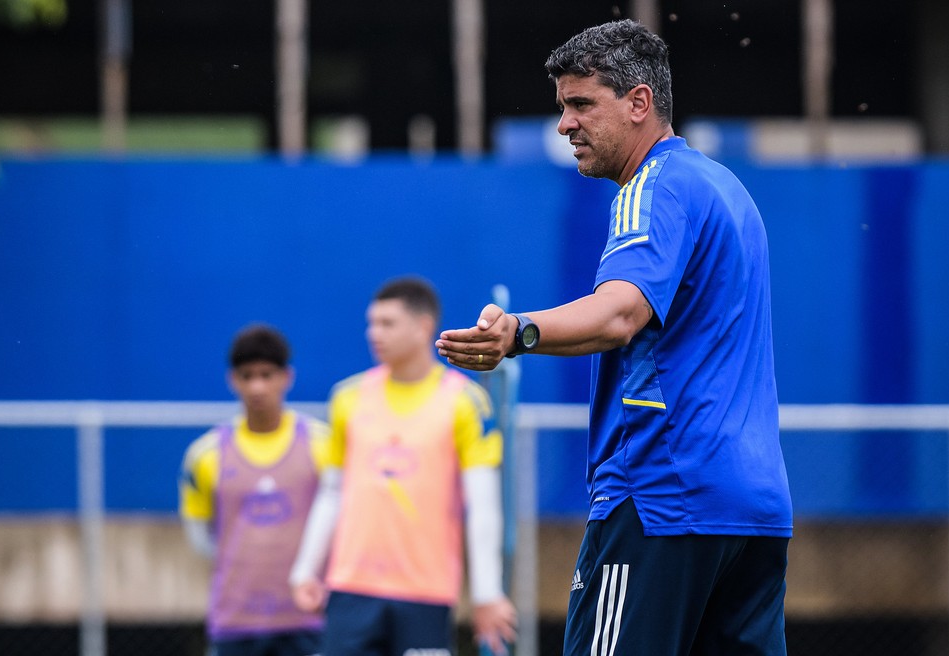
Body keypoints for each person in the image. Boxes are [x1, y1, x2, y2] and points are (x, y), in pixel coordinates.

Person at [435, 19, 793, 656]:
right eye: (562, 107)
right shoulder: (728, 190)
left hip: (662, 494)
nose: (565, 124)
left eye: (580, 104)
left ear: (639, 103)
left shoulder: (651, 186)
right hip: (754, 507)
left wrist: (519, 333)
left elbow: (619, 315)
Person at [288, 276, 517, 656]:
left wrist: (486, 593)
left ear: (423, 326)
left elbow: (483, 506)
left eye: (386, 323)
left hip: (425, 593)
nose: (373, 333)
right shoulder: (347, 397)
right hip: (350, 589)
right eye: (371, 323)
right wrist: (305, 568)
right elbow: (331, 492)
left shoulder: (465, 402)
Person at [179, 324, 326, 656]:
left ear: (286, 377)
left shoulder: (322, 444)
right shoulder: (205, 454)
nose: (257, 386)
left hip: (309, 619)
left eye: (266, 374)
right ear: (233, 380)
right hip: (235, 621)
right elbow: (199, 536)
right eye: (247, 376)